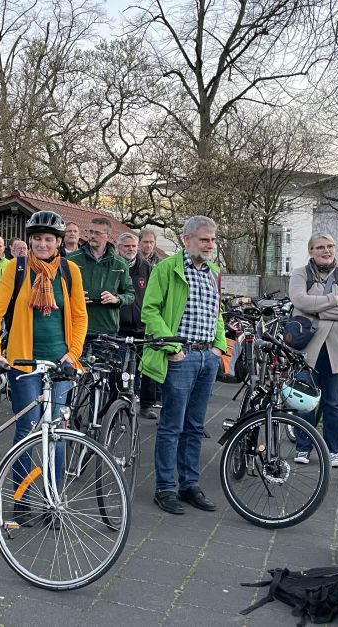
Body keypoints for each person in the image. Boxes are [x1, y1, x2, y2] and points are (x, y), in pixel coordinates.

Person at [0, 210, 88, 524]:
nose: (42, 244)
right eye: (37, 239)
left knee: (55, 433)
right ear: (29, 241)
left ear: (58, 242)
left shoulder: (69, 271)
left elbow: (81, 317)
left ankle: (53, 501)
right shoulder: (17, 270)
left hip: (59, 365)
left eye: (48, 239)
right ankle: (21, 500)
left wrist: (73, 354)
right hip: (24, 363)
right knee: (27, 430)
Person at [141, 215, 226, 515]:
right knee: (171, 426)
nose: (210, 245)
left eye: (213, 240)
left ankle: (189, 484)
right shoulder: (167, 269)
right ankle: (165, 488)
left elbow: (217, 313)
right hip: (181, 357)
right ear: (186, 239)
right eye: (204, 239)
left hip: (207, 358)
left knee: (195, 427)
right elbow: (149, 311)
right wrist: (172, 347)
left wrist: (220, 347)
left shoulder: (214, 273)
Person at [288, 233, 338, 470]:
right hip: (307, 348)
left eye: (330, 246)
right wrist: (333, 299)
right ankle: (303, 446)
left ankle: (333, 450)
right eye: (320, 247)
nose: (326, 251)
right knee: (305, 400)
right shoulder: (300, 274)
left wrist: (318, 312)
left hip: (337, 349)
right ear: (311, 251)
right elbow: (300, 300)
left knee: (335, 403)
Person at [67, 217, 134, 337]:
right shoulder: (71, 259)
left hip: (108, 329)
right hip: (76, 327)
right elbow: (58, 290)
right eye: (90, 232)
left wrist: (117, 299)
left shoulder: (120, 263)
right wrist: (73, 297)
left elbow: (130, 294)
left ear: (108, 235)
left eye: (97, 233)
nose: (92, 236)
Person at [115, 232, 157, 420]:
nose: (131, 249)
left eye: (133, 246)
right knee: (117, 367)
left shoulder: (147, 268)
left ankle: (146, 405)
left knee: (146, 368)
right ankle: (115, 402)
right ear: (118, 248)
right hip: (119, 326)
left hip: (141, 326)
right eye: (126, 246)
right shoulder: (114, 267)